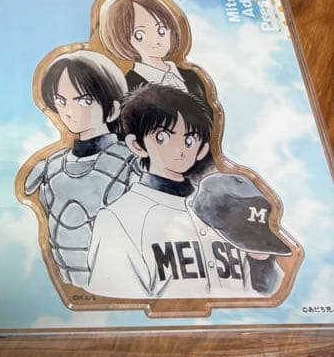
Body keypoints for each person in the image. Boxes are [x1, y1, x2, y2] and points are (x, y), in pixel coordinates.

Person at [87, 86, 283, 299]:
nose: (179, 150)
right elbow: (118, 304)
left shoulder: (224, 205)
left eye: (189, 140)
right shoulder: (118, 218)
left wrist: (260, 260)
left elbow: (269, 292)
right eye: (162, 137)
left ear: (202, 149)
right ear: (137, 145)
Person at [22, 50, 137, 287]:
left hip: (120, 282)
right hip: (63, 280)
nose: (69, 111)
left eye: (84, 101)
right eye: (61, 101)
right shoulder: (51, 166)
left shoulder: (131, 162)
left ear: (113, 109)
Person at [97, 0, 209, 101]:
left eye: (161, 30)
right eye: (140, 35)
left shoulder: (191, 77)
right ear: (123, 39)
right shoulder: (127, 88)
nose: (155, 41)